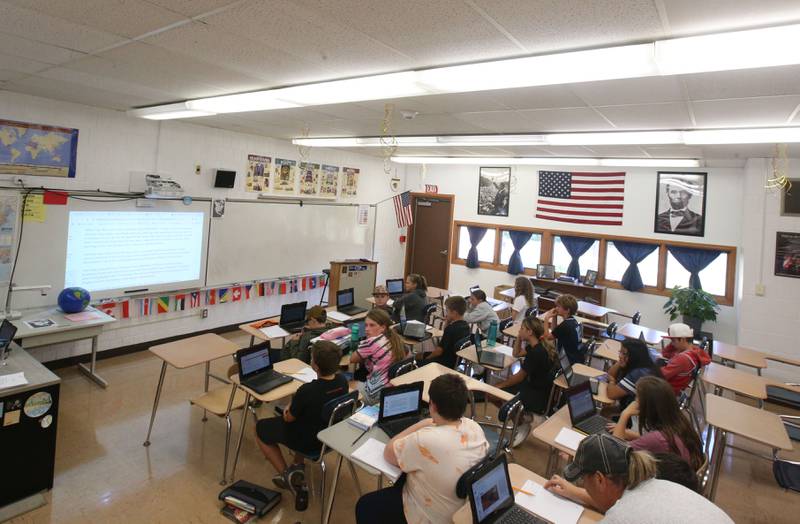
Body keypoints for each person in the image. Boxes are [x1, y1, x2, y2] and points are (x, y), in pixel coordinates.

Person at [355, 374, 489, 524]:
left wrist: (423, 423)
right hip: (460, 507)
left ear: (433, 405)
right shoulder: (474, 427)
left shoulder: (425, 440)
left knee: (365, 505)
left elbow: (389, 452)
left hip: (431, 515)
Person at [544, 433, 733, 523]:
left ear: (600, 479)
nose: (583, 485)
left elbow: (619, 512)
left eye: (583, 481)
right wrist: (575, 493)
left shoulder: (622, 516)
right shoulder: (657, 484)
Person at [254, 341, 348, 511]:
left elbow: (289, 418)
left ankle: (287, 474)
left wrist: (289, 406)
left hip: (307, 441)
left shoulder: (307, 390)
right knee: (309, 419)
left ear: (315, 366)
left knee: (261, 428)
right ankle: (297, 465)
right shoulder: (342, 381)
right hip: (328, 437)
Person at [609, 376, 704, 470]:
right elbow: (657, 442)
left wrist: (625, 414)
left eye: (637, 397)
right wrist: (626, 432)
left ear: (648, 405)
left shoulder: (657, 438)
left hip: (663, 481)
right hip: (679, 479)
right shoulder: (679, 423)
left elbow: (615, 454)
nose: (634, 402)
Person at [494, 317, 557, 415]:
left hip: (534, 393)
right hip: (541, 389)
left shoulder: (535, 353)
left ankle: (519, 421)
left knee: (491, 393)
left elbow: (519, 377)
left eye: (522, 329)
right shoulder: (538, 345)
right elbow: (516, 353)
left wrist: (500, 385)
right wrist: (519, 337)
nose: (519, 330)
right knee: (500, 385)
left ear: (530, 332)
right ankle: (520, 419)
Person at [350, 308, 406, 404]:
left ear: (383, 327)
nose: (367, 329)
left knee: (348, 384)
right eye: (366, 325)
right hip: (392, 388)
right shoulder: (394, 338)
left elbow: (352, 359)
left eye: (372, 325)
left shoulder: (371, 342)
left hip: (376, 393)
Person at [606, 339, 660, 409]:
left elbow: (612, 394)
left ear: (634, 356)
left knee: (607, 410)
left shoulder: (639, 373)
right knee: (607, 409)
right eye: (620, 352)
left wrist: (612, 381)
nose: (620, 356)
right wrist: (621, 360)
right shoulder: (642, 364)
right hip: (638, 409)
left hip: (640, 417)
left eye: (624, 353)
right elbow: (610, 374)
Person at [659, 323, 711, 395]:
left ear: (683, 339)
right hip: (673, 386)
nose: (672, 343)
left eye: (673, 340)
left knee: (641, 371)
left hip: (665, 390)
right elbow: (665, 354)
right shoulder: (693, 351)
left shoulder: (683, 359)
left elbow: (660, 375)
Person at [421, 295, 470, 369]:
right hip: (454, 361)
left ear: (454, 312)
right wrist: (447, 321)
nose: (446, 313)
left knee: (417, 360)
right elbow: (446, 335)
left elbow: (438, 352)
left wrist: (427, 359)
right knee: (420, 355)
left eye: (447, 310)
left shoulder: (451, 329)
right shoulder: (466, 326)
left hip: (443, 363)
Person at [543, 294, 583, 364]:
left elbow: (548, 337)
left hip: (568, 360)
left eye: (558, 306)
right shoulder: (572, 321)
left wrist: (546, 319)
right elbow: (554, 332)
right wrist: (554, 317)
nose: (556, 308)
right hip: (575, 357)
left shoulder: (565, 325)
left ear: (567, 310)